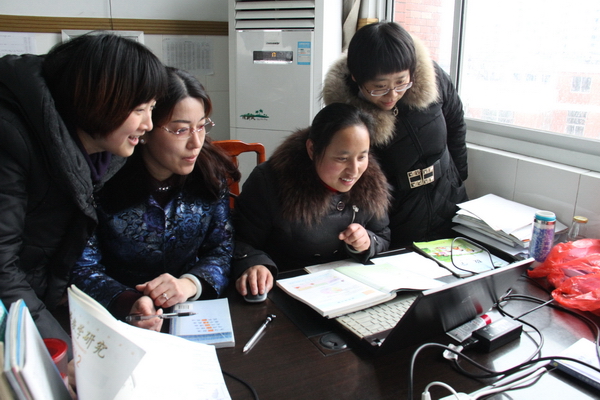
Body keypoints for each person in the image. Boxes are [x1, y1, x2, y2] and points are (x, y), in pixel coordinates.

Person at [0, 33, 167, 348]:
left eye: (152, 108)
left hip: (34, 304)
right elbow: (3, 269)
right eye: (139, 109)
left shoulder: (101, 156)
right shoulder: (12, 139)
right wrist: (59, 351)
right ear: (100, 100)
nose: (148, 124)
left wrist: (125, 301)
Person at [70, 67, 240, 332]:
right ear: (145, 130)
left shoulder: (209, 173)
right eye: (180, 130)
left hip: (190, 312)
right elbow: (82, 267)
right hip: (116, 320)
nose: (196, 142)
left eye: (201, 126)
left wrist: (189, 284)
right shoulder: (102, 181)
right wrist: (129, 302)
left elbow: (221, 248)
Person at [322, 21, 468, 248]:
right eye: (379, 87)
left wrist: (459, 176)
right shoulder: (347, 116)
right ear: (356, 78)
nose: (392, 95)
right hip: (396, 213)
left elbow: (455, 121)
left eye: (401, 83)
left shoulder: (433, 79)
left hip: (449, 197)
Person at [233, 103, 391, 298]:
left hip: (349, 291)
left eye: (362, 157)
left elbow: (382, 236)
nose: (354, 170)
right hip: (286, 290)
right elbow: (240, 240)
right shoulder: (270, 181)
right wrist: (255, 264)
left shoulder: (371, 182)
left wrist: (366, 242)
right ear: (312, 149)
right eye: (342, 158)